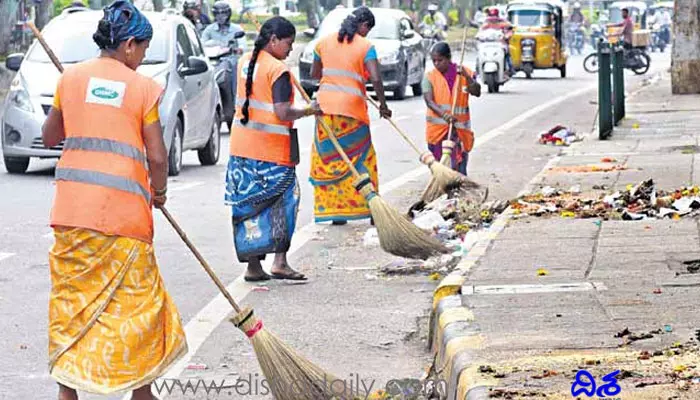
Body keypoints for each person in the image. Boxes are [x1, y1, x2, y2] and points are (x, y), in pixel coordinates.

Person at [41, 1, 187, 399]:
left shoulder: (70, 80)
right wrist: (159, 192)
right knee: (135, 308)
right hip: (125, 222)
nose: (141, 57)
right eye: (141, 49)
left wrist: (70, 104)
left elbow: (51, 136)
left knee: (73, 304)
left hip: (72, 216)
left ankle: (67, 393)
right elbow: (157, 156)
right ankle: (141, 394)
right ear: (126, 46)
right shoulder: (143, 89)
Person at [227, 16, 319, 282]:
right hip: (271, 153)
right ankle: (280, 262)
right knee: (285, 203)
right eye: (288, 43)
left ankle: (253, 266)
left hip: (241, 149)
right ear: (274, 40)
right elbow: (282, 111)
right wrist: (309, 110)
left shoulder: (246, 62)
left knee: (247, 206)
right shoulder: (278, 71)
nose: (291, 49)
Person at [310, 6, 392, 225]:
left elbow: (314, 73)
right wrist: (383, 105)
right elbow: (375, 78)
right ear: (364, 25)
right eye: (368, 29)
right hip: (352, 113)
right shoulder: (366, 46)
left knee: (331, 159)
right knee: (363, 158)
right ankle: (372, 208)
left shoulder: (323, 43)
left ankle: (336, 212)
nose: (367, 34)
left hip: (325, 111)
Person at [422, 42, 480, 175]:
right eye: (434, 61)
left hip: (459, 131)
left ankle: (458, 192)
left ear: (449, 58)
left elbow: (476, 91)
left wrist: (466, 76)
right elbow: (429, 101)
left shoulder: (464, 73)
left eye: (440, 60)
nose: (437, 64)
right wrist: (445, 116)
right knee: (441, 169)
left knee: (459, 168)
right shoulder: (429, 76)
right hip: (437, 133)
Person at [480, 8, 514, 76]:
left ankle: (509, 68)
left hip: (500, 44)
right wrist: (479, 36)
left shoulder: (503, 24)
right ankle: (478, 68)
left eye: (494, 18)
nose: (493, 20)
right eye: (491, 18)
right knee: (480, 53)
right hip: (487, 45)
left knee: (506, 53)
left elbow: (510, 30)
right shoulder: (486, 24)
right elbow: (480, 32)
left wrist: (507, 36)